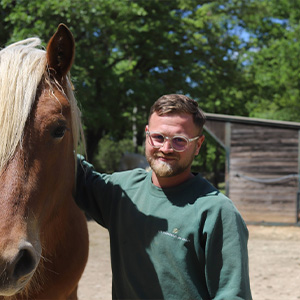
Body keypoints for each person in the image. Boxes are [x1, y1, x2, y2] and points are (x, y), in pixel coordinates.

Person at [75, 94, 252, 300]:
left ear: (198, 145)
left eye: (179, 141)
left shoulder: (217, 212)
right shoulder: (120, 191)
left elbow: (232, 295)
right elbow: (68, 168)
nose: (166, 149)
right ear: (147, 135)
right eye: (158, 137)